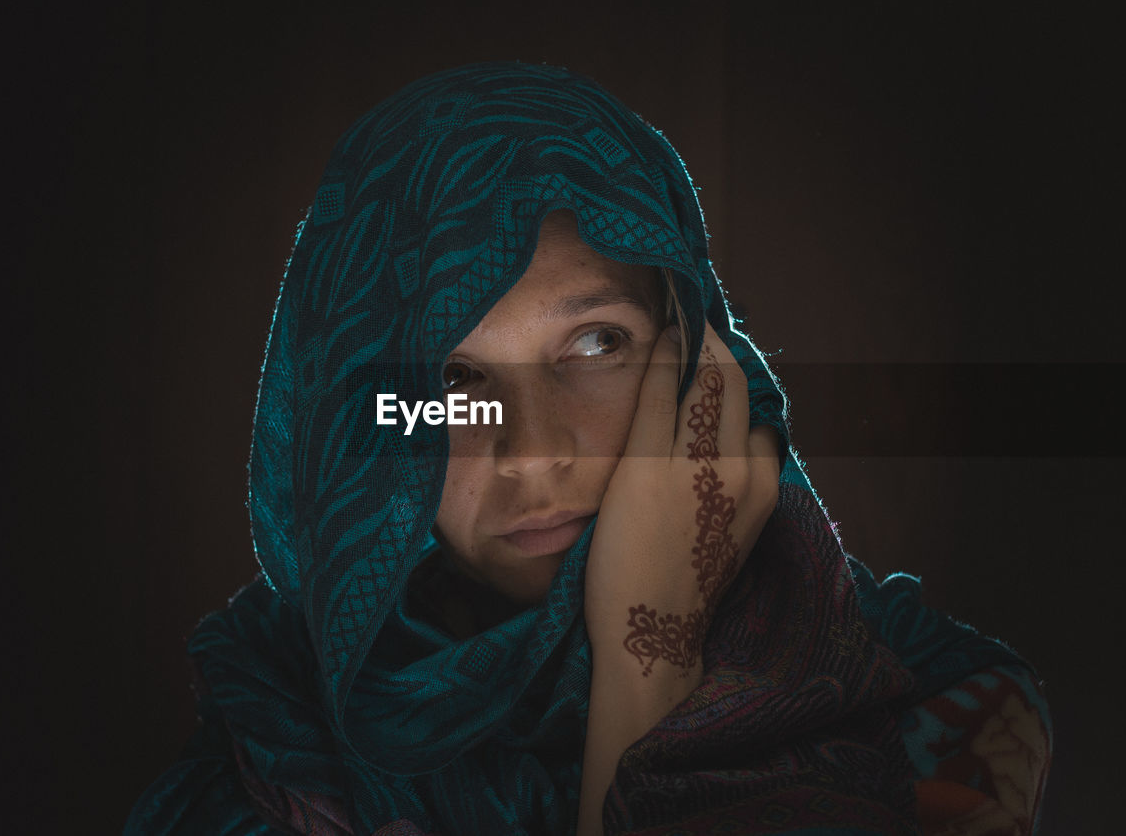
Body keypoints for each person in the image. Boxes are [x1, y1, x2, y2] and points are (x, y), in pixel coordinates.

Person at [126, 62, 1051, 835]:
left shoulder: (930, 705)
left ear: (696, 359)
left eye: (597, 344)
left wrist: (650, 646)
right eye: (452, 382)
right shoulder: (267, 764)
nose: (531, 453)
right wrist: (653, 660)